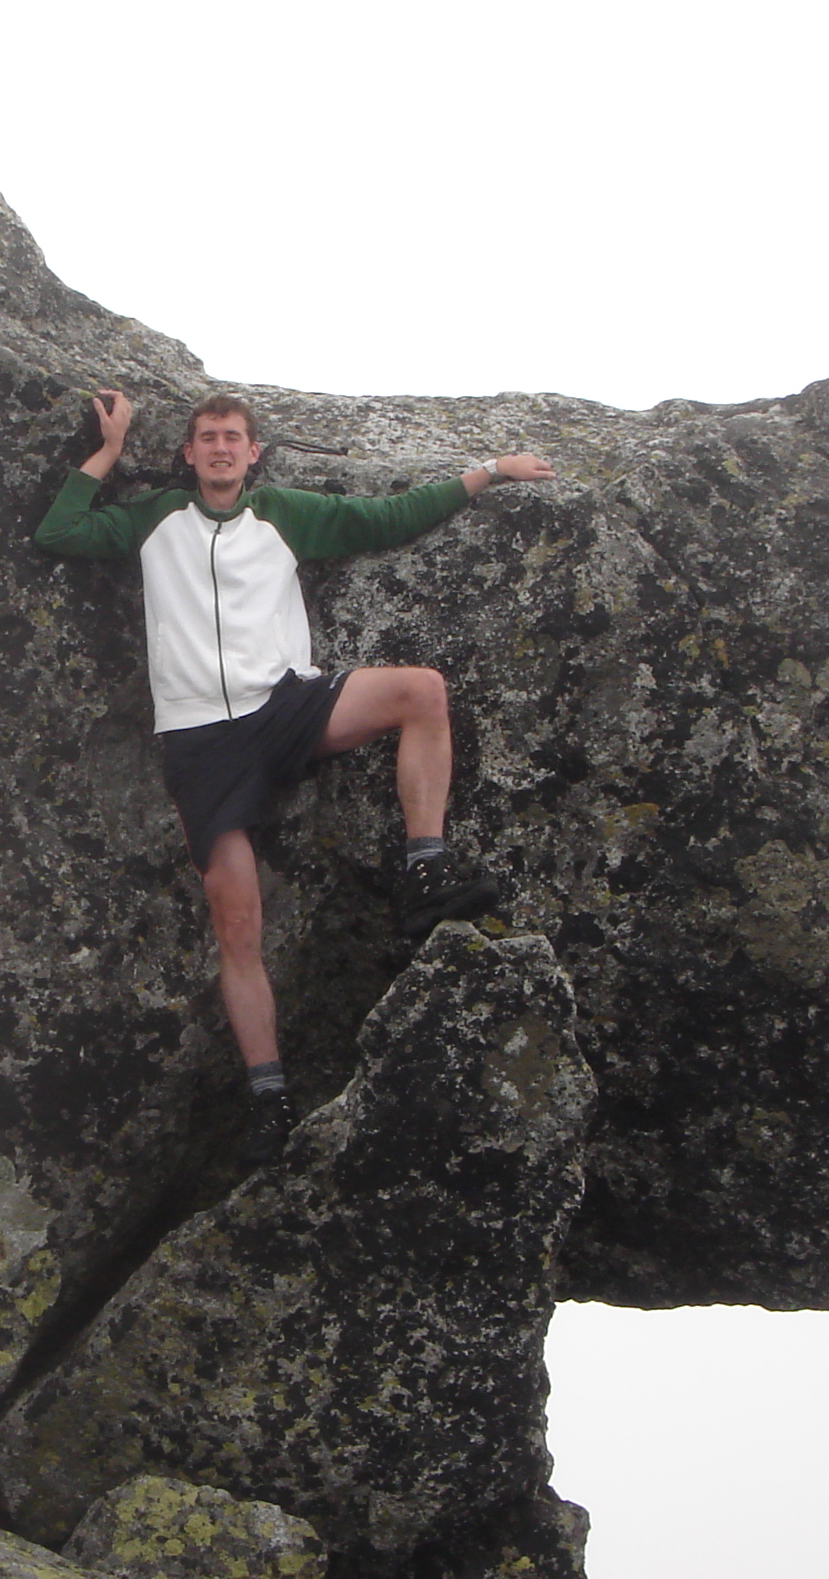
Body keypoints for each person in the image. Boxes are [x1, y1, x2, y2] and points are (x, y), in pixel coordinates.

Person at [34, 388, 558, 1162]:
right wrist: (108, 454)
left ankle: (424, 873)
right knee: (238, 928)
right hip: (199, 740)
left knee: (422, 691)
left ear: (254, 454)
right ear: (188, 453)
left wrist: (491, 471)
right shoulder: (154, 519)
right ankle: (270, 1100)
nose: (220, 448)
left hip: (283, 705)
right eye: (207, 437)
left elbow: (389, 519)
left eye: (233, 437)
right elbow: (59, 532)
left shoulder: (282, 512)